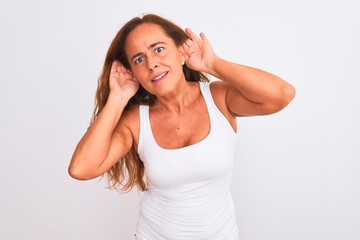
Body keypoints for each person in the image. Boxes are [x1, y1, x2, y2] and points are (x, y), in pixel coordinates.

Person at [68, 14, 295, 239]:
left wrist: (212, 64)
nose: (151, 64)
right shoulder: (136, 121)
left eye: (158, 49)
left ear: (181, 50)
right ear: (133, 72)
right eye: (139, 59)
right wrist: (118, 97)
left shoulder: (218, 99)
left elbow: (281, 95)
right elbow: (82, 169)